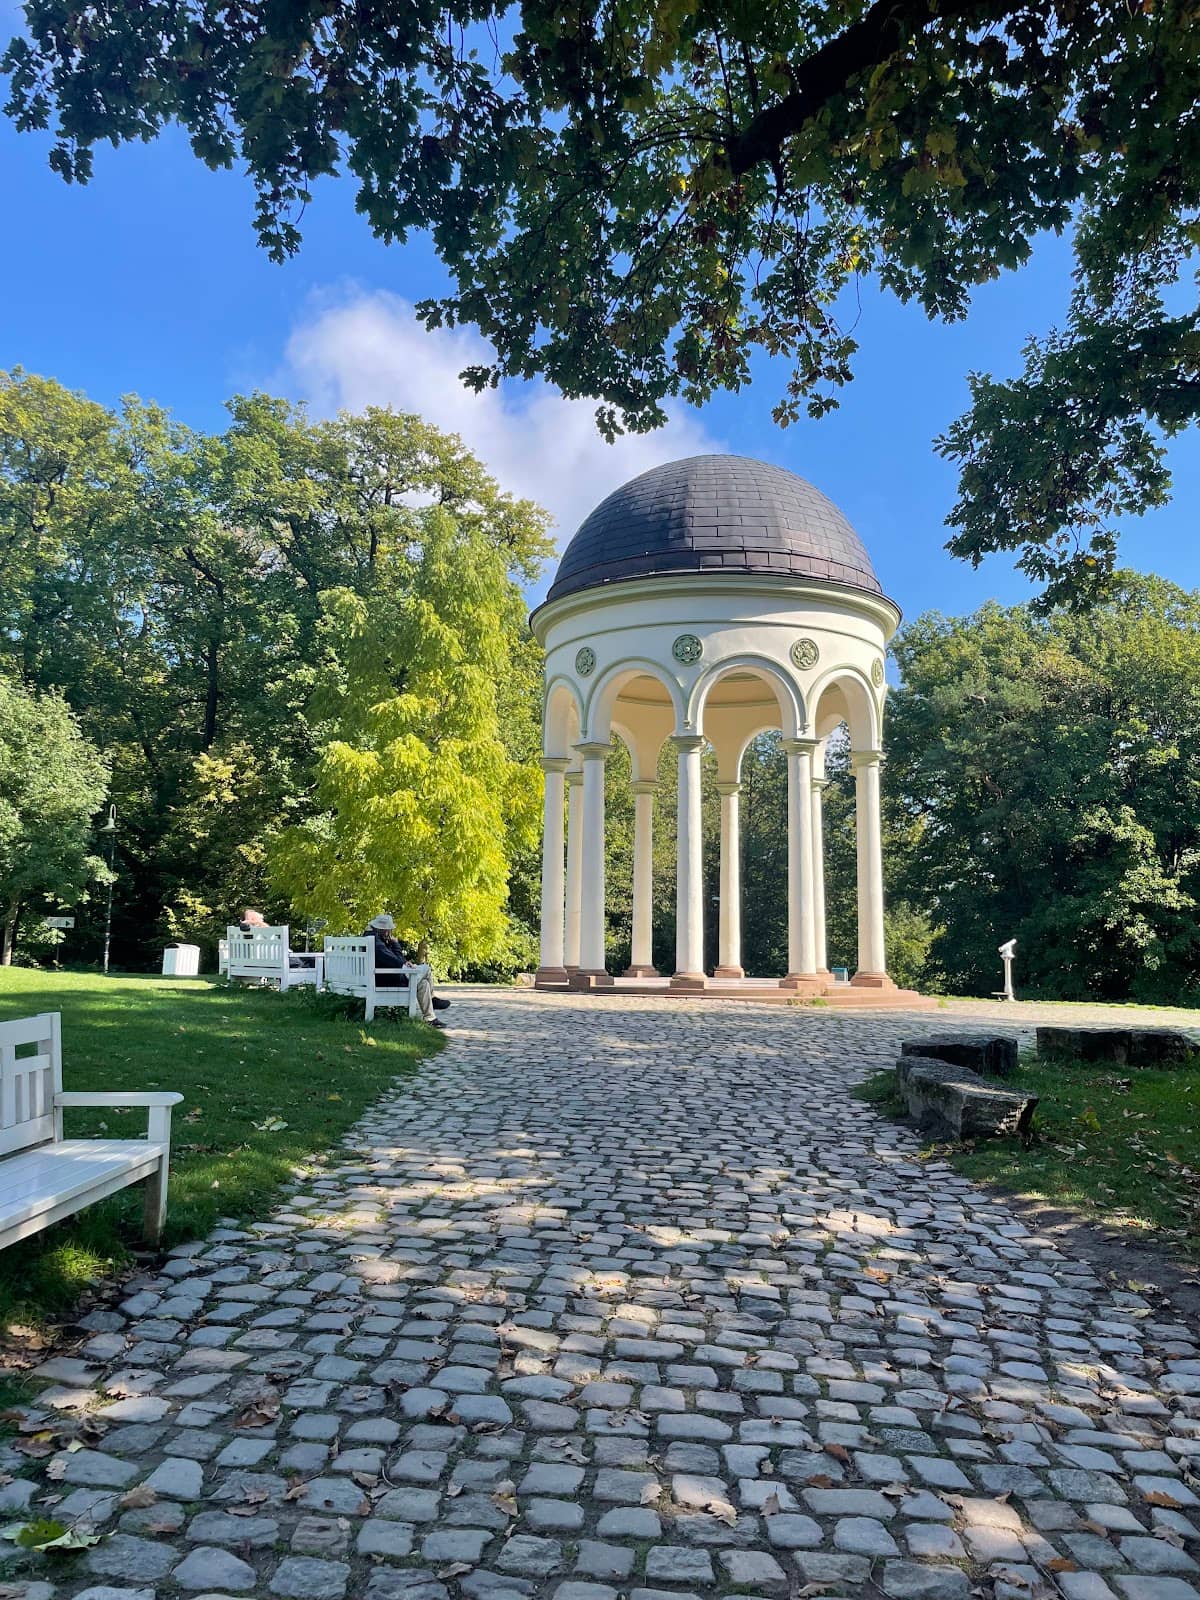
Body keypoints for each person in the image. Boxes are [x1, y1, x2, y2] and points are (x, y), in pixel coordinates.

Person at [364, 913, 449, 1028]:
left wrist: (403, 961)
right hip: (388, 978)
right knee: (426, 968)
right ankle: (433, 999)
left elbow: (393, 959)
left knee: (423, 984)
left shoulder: (373, 939)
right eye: (389, 929)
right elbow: (394, 961)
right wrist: (396, 945)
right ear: (384, 930)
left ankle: (430, 1018)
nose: (390, 932)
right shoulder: (376, 943)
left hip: (382, 977)